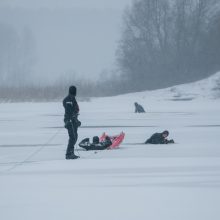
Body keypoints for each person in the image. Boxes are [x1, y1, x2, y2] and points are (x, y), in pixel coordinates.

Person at [63, 85, 81, 159]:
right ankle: (68, 154)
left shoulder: (73, 98)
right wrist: (70, 119)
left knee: (75, 137)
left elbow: (75, 110)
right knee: (72, 137)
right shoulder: (68, 99)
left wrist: (76, 120)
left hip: (73, 120)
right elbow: (68, 110)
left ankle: (71, 152)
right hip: (69, 121)